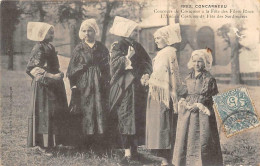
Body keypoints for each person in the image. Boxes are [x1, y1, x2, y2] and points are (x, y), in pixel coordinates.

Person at [109, 16, 152, 161]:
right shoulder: (117, 45)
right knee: (126, 117)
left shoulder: (137, 45)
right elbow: (113, 65)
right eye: (133, 31)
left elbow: (147, 61)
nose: (136, 33)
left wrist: (146, 73)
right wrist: (127, 57)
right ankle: (127, 152)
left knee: (138, 116)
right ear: (126, 31)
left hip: (138, 87)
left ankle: (135, 149)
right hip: (125, 87)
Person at [172, 48, 223, 166]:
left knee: (203, 138)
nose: (196, 64)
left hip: (202, 113)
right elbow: (184, 92)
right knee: (185, 136)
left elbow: (211, 96)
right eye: (194, 61)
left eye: (199, 61)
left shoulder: (209, 79)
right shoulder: (188, 77)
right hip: (188, 112)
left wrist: (200, 104)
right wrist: (184, 101)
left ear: (205, 62)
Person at [145, 24, 185, 166]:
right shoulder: (167, 52)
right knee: (162, 125)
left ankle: (166, 160)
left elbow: (164, 75)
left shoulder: (167, 53)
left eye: (158, 38)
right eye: (155, 38)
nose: (156, 41)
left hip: (162, 95)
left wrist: (149, 80)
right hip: (160, 93)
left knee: (163, 125)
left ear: (166, 39)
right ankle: (167, 159)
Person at [66, 19, 110, 148]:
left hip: (99, 83)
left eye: (90, 30)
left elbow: (107, 66)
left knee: (99, 108)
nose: (87, 33)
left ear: (95, 31)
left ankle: (99, 141)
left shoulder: (101, 47)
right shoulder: (79, 48)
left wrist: (106, 79)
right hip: (83, 83)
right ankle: (84, 142)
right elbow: (72, 68)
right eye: (84, 31)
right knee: (85, 108)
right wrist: (73, 83)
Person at [26, 22, 68, 155]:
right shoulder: (38, 47)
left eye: (53, 32)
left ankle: (51, 143)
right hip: (43, 86)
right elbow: (32, 68)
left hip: (53, 84)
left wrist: (59, 73)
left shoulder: (49, 46)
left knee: (53, 113)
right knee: (44, 113)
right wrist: (52, 76)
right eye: (50, 32)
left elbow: (52, 64)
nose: (52, 35)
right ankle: (42, 145)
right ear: (42, 33)